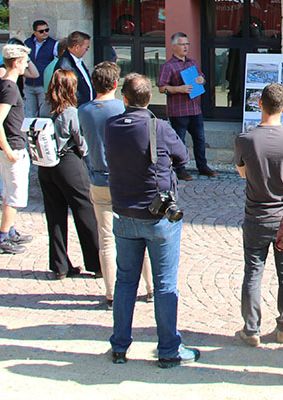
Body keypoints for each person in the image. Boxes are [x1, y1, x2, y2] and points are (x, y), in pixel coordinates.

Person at [104, 73, 200, 368]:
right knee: (164, 284)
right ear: (149, 99)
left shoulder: (112, 125)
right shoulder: (159, 127)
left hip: (124, 213)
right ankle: (169, 348)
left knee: (125, 282)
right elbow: (183, 156)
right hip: (157, 216)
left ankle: (120, 345)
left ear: (125, 99)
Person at [77, 61, 153, 308]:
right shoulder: (121, 108)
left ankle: (111, 292)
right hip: (127, 178)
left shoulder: (85, 110)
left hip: (99, 177)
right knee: (140, 233)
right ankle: (152, 287)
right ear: (114, 84)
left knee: (107, 237)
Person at [234, 83, 283, 346]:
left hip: (255, 216)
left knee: (253, 272)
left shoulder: (245, 139)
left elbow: (243, 174)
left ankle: (251, 329)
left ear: (259, 104)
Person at [37, 69, 100, 279]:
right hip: (67, 162)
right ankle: (97, 263)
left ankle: (59, 265)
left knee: (55, 215)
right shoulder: (71, 111)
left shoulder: (44, 106)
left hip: (46, 164)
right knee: (85, 210)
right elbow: (81, 144)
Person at [0, 44, 34, 255]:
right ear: (16, 63)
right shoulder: (10, 89)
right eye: (25, 61)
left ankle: (10, 231)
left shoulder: (2, 83)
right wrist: (9, 151)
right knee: (14, 195)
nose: (27, 64)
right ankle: (2, 238)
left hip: (4, 146)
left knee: (8, 191)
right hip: (12, 146)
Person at [157, 32, 216, 180]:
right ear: (174, 46)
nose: (185, 47)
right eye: (182, 44)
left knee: (200, 139)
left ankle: (202, 166)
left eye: (187, 44)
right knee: (179, 141)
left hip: (194, 108)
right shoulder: (168, 66)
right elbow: (161, 87)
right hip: (178, 110)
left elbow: (202, 78)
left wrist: (201, 80)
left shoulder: (192, 62)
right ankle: (180, 169)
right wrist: (179, 89)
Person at [23, 20, 58, 118]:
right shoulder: (27, 43)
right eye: (41, 31)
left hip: (44, 86)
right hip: (29, 85)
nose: (45, 33)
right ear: (35, 33)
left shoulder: (53, 44)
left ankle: (42, 133)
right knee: (30, 114)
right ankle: (31, 133)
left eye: (47, 30)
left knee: (45, 114)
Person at [54, 31, 94, 107]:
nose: (87, 51)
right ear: (77, 47)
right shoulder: (65, 66)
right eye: (86, 48)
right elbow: (66, 93)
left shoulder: (78, 60)